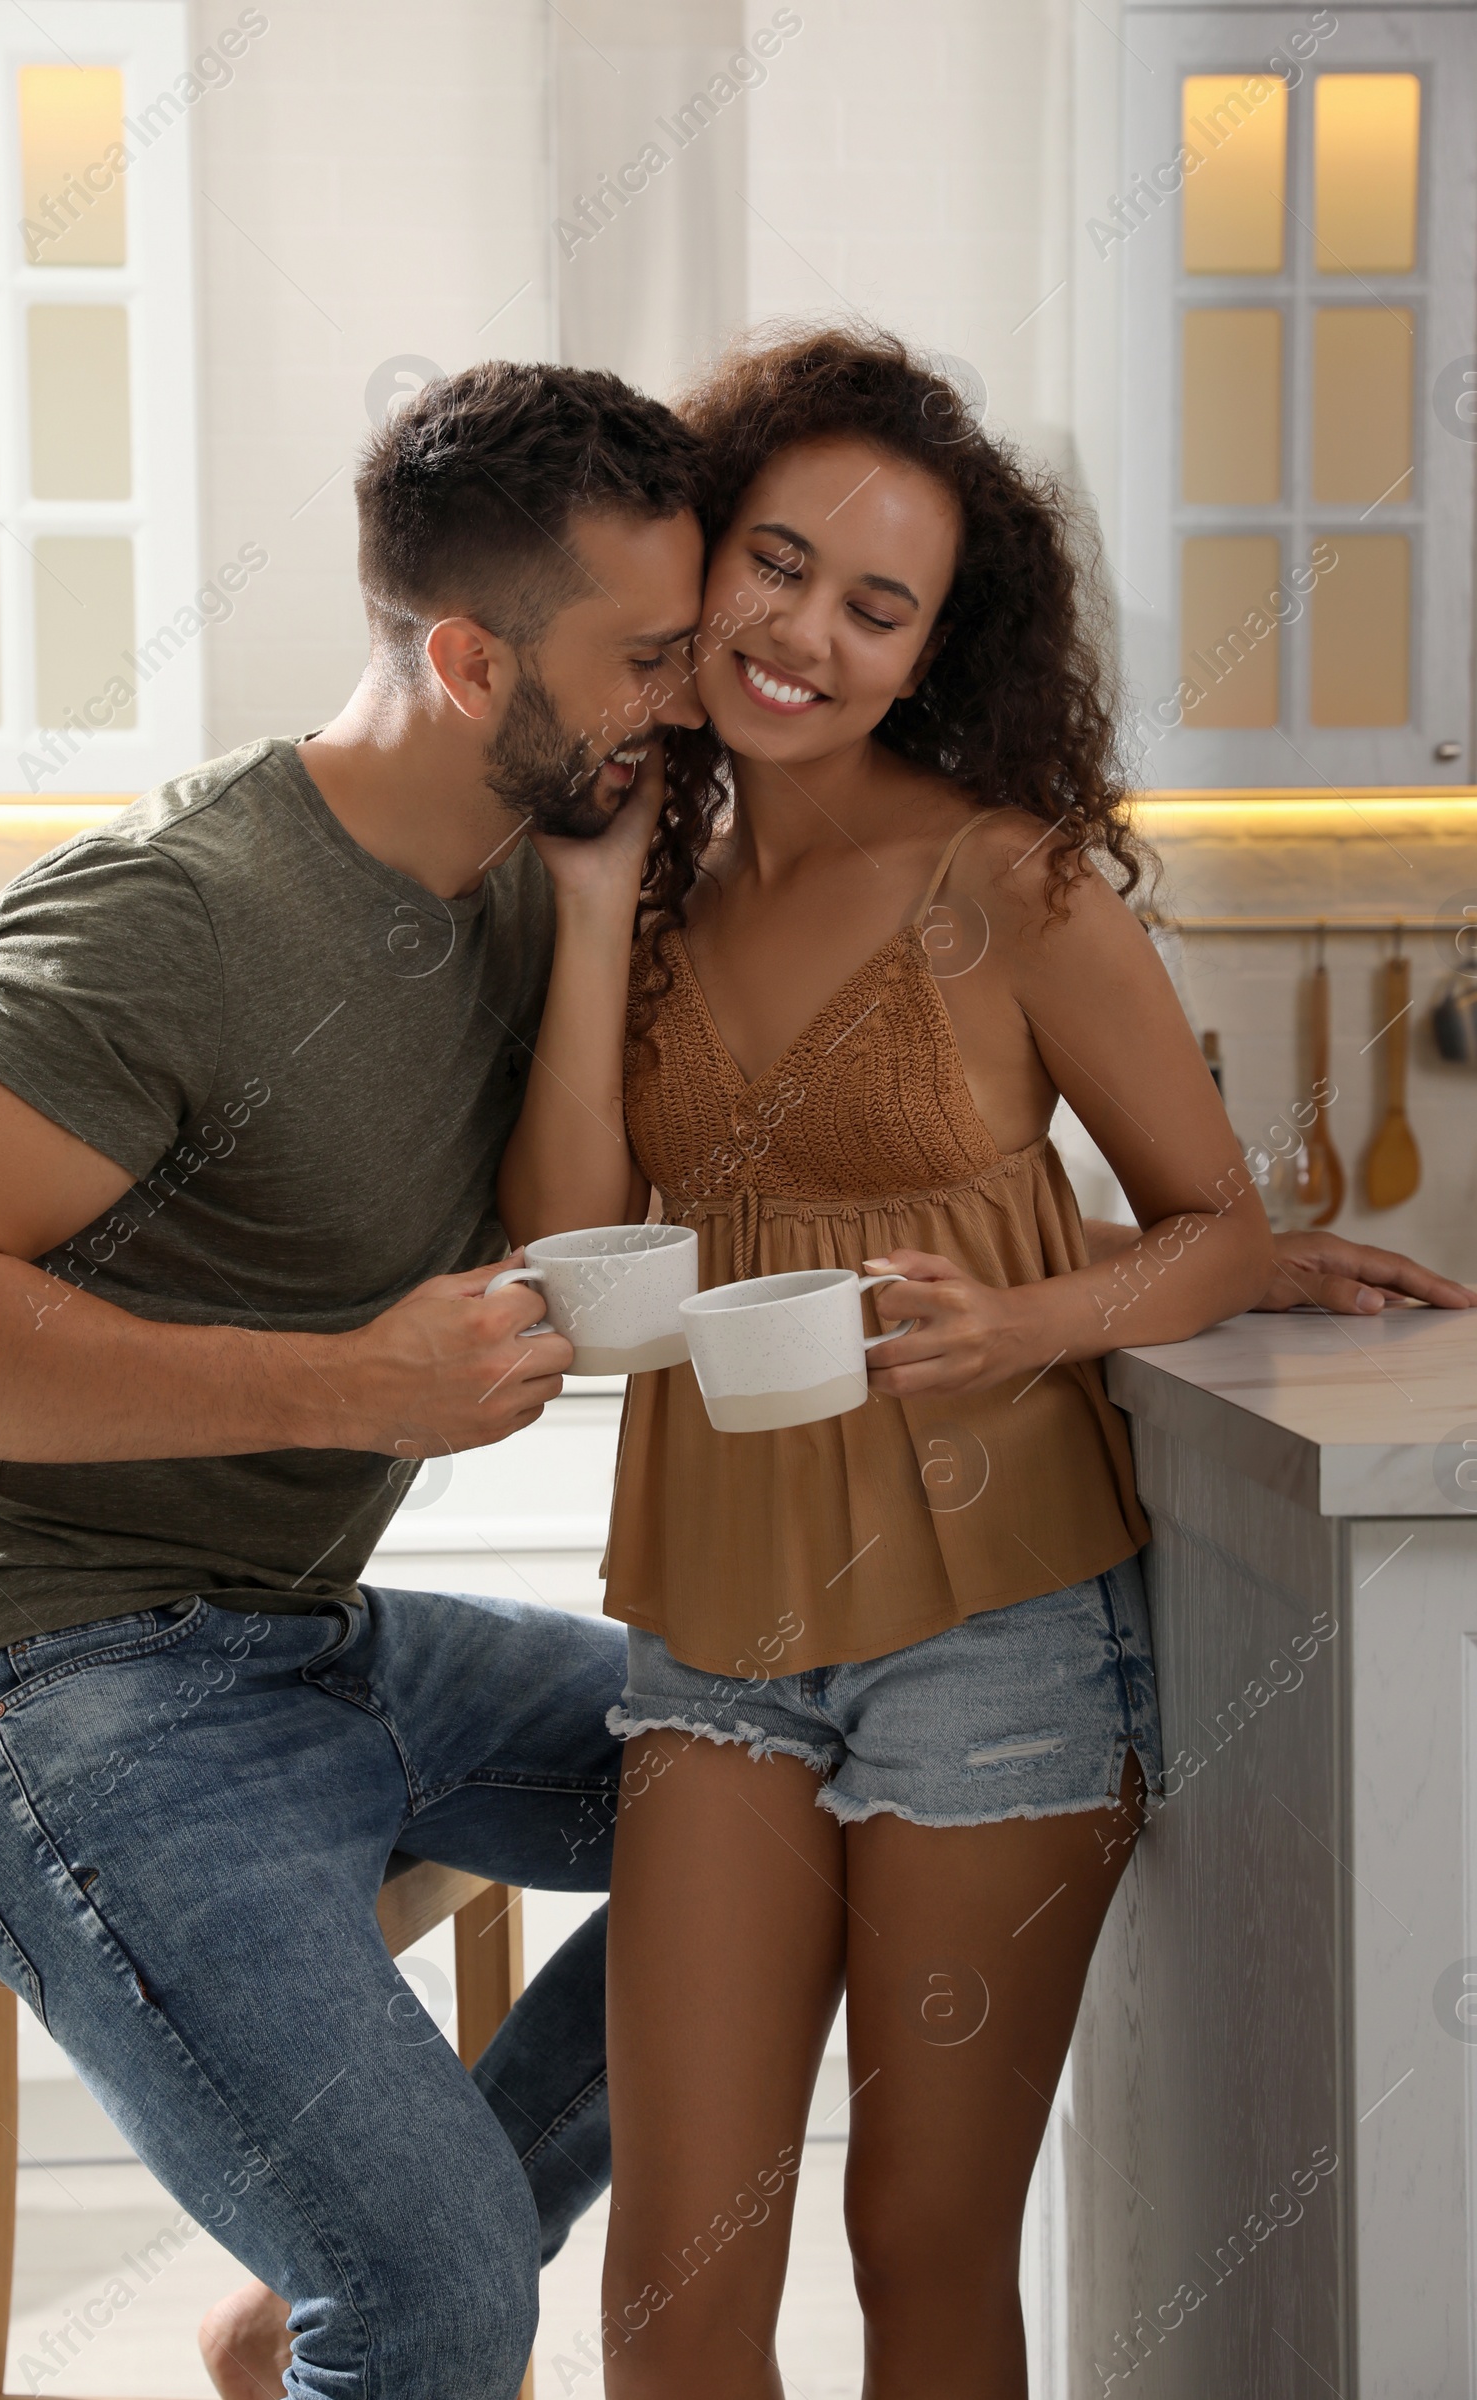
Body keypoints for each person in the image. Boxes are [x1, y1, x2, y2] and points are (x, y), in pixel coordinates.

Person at [496, 324, 1476, 2400]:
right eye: (776, 566)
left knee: (920, 2251)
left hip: (996, 1637)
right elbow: (568, 1243)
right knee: (673, 2288)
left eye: (877, 607)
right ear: (703, 560)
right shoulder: (636, 887)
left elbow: (1203, 1218)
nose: (806, 637)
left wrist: (1035, 1314)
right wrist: (587, 915)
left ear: (933, 647)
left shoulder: (1011, 883)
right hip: (712, 1634)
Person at [0, 361, 712, 2400]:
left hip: (303, 1641)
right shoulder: (169, 918)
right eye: (645, 658)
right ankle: (391, 2276)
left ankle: (343, 2279)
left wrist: (595, 908)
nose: (682, 702)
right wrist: (345, 1384)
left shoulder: (521, 873)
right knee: (426, 2307)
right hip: (41, 1680)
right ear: (463, 655)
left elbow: (551, 1244)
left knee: (787, 1775)